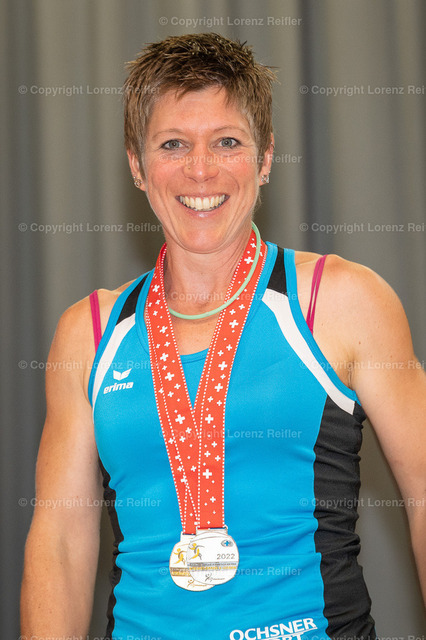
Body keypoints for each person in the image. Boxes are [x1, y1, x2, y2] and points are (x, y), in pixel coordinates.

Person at [21, 33, 425, 640]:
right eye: (173, 144)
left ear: (266, 159)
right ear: (136, 165)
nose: (201, 169)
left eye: (227, 142)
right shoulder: (91, 332)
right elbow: (59, 540)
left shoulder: (339, 301)